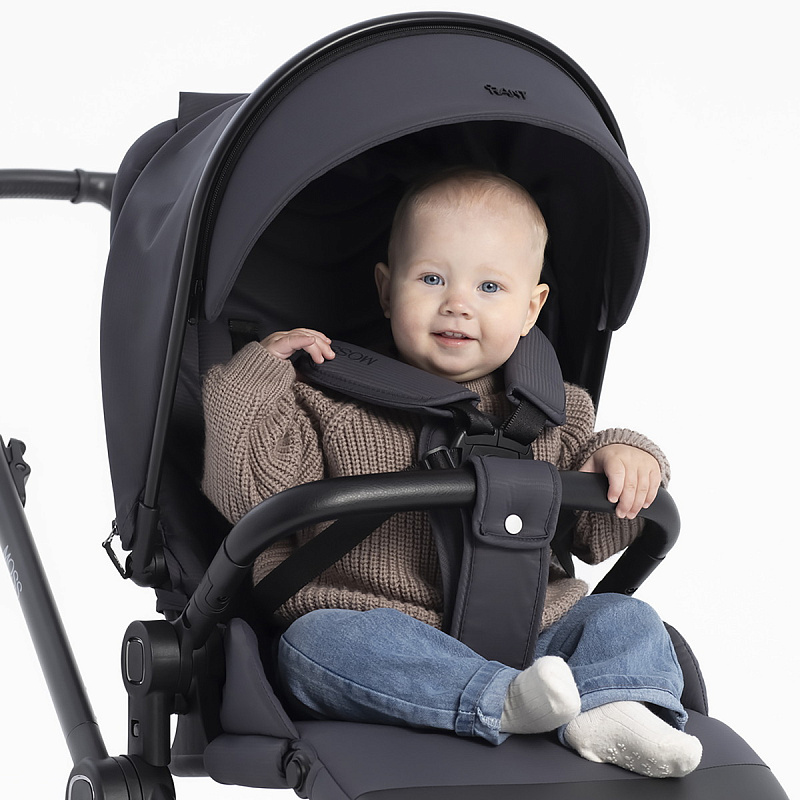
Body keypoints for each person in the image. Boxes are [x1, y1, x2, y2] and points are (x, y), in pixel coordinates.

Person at [202, 168, 702, 778]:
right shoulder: (322, 403)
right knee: (313, 647)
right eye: (431, 278)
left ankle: (611, 710)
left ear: (531, 308)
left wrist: (626, 459)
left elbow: (597, 537)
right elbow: (247, 492)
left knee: (626, 618)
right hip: (383, 633)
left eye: (489, 286)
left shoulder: (556, 413)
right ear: (386, 289)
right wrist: (256, 374)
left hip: (534, 635)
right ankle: (499, 702)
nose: (457, 304)